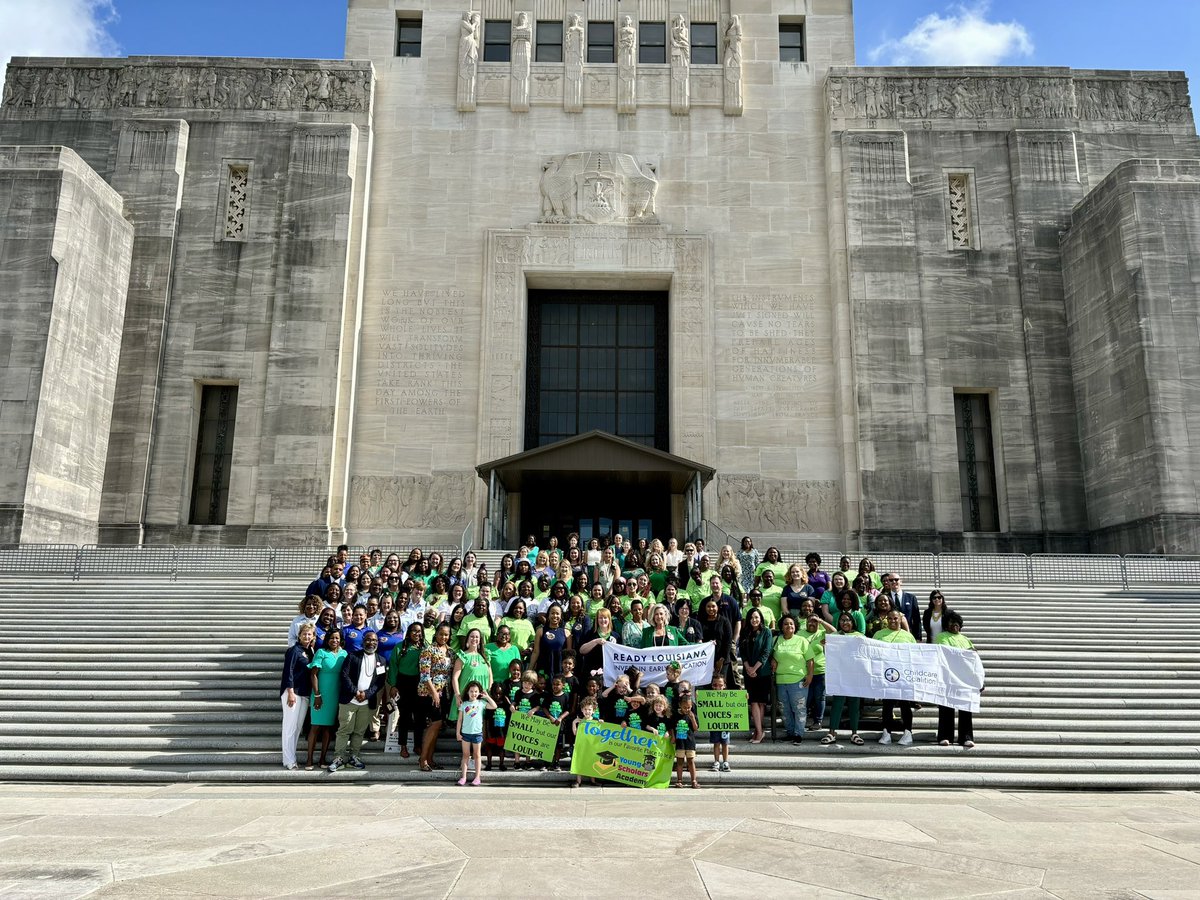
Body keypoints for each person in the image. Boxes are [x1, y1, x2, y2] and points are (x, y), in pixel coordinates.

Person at [327, 630, 386, 772]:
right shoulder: (352, 656)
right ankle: (339, 758)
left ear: (377, 643)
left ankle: (354, 757)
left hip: (366, 703)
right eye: (368, 640)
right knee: (343, 730)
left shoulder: (381, 660)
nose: (371, 643)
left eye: (374, 640)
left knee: (359, 732)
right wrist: (356, 692)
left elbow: (379, 682)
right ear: (363, 641)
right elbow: (344, 675)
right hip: (349, 700)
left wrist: (366, 694)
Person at [822, 612, 868, 746]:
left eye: (848, 620)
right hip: (840, 676)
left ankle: (855, 733)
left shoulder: (860, 636)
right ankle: (832, 733)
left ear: (853, 622)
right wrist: (826, 646)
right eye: (842, 620)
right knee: (837, 704)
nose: (845, 622)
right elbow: (829, 656)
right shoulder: (834, 636)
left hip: (855, 676)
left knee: (854, 705)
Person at [935, 610, 978, 748]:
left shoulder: (966, 639)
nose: (954, 625)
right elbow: (947, 653)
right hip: (948, 677)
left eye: (957, 622)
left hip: (965, 678)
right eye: (951, 622)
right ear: (946, 624)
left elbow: (974, 659)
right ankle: (944, 736)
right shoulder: (941, 636)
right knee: (946, 707)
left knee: (966, 707)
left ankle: (966, 737)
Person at [874, 610, 918, 745]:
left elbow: (915, 656)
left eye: (895, 618)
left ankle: (908, 733)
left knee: (905, 704)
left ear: (900, 620)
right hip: (886, 675)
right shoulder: (878, 634)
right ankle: (886, 732)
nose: (893, 621)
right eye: (890, 618)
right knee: (887, 705)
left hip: (904, 675)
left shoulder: (908, 636)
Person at [771, 614, 816, 744]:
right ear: (781, 626)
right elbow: (772, 655)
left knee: (799, 709)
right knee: (784, 710)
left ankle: (798, 735)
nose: (789, 626)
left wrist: (810, 675)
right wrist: (773, 658)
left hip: (798, 681)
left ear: (795, 626)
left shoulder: (802, 640)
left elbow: (810, 660)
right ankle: (790, 733)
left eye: (791, 623)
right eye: (786, 624)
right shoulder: (776, 640)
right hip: (780, 681)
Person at [417, 622, 454, 772]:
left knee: (437, 726)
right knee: (435, 724)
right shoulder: (428, 650)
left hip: (445, 693)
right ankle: (423, 759)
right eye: (441, 634)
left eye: (446, 634)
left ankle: (430, 759)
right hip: (429, 693)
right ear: (436, 634)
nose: (443, 637)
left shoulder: (451, 652)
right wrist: (434, 694)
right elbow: (425, 675)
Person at [306, 629, 346, 769]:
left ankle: (322, 760)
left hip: (334, 695)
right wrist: (317, 695)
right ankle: (309, 759)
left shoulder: (344, 654)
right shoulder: (321, 652)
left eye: (337, 638)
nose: (334, 641)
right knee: (315, 727)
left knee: (328, 728)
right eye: (331, 638)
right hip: (320, 694)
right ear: (327, 639)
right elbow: (313, 674)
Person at [279, 622, 316, 770]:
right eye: (304, 634)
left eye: (310, 634)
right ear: (299, 635)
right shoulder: (293, 650)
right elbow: (288, 671)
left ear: (313, 636)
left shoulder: (311, 652)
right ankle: (288, 760)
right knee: (289, 727)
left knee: (297, 727)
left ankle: (292, 757)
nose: (307, 636)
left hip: (305, 693)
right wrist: (290, 692)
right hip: (292, 693)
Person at [386, 622, 424, 758]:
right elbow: (393, 666)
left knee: (419, 717)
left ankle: (418, 745)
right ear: (409, 632)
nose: (416, 634)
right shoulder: (400, 647)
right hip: (403, 683)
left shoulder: (425, 647)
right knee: (405, 717)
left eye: (419, 631)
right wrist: (393, 685)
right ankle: (403, 746)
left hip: (419, 684)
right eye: (414, 631)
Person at [739, 607, 773, 743]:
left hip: (763, 672)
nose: (754, 620)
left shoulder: (767, 632)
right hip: (749, 673)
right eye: (752, 617)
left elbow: (766, 652)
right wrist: (748, 668)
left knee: (760, 703)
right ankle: (759, 731)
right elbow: (743, 652)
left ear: (761, 619)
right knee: (753, 702)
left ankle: (759, 731)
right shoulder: (745, 632)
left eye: (757, 617)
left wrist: (755, 668)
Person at [456, 680, 496, 786]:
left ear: (479, 693)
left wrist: (487, 696)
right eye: (471, 691)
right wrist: (458, 733)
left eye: (476, 691)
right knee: (465, 755)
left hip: (477, 734)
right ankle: (463, 777)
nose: (473, 693)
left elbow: (494, 706)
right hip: (465, 734)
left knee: (477, 755)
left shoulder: (481, 703)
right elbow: (459, 720)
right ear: (468, 692)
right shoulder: (464, 705)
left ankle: (477, 777)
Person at [449, 628, 493, 724]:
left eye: (477, 637)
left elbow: (490, 677)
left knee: (481, 723)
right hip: (467, 696)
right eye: (472, 636)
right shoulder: (463, 656)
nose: (474, 639)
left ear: (480, 640)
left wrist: (489, 693)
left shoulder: (485, 656)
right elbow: (455, 678)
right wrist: (457, 695)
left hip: (482, 696)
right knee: (466, 723)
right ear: (468, 639)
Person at [530, 602, 570, 677]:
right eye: (552, 613)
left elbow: (568, 656)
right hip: (544, 669)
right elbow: (535, 652)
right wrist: (529, 670)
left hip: (560, 670)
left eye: (557, 614)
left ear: (561, 616)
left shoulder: (566, 633)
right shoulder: (540, 631)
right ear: (548, 615)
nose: (555, 616)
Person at [671, 690, 700, 788]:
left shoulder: (693, 715)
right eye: (684, 707)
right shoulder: (676, 715)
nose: (687, 709)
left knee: (691, 761)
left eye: (689, 707)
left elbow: (696, 729)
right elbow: (672, 727)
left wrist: (692, 718)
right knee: (679, 762)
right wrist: (673, 737)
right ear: (680, 705)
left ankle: (694, 780)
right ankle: (679, 780)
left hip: (690, 742)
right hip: (680, 742)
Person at [881, 573, 921, 639]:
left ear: (900, 581)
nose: (894, 582)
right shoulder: (885, 598)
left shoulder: (911, 598)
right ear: (888, 583)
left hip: (908, 634)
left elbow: (916, 619)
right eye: (891, 580)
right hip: (890, 635)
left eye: (896, 580)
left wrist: (918, 637)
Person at [708, 672, 733, 773]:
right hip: (714, 723)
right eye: (715, 685)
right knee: (716, 743)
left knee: (725, 743)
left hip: (725, 723)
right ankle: (717, 761)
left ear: (725, 686)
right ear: (712, 685)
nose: (717, 687)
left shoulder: (730, 696)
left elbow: (737, 705)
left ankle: (725, 762)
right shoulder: (708, 696)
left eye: (720, 685)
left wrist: (744, 698)